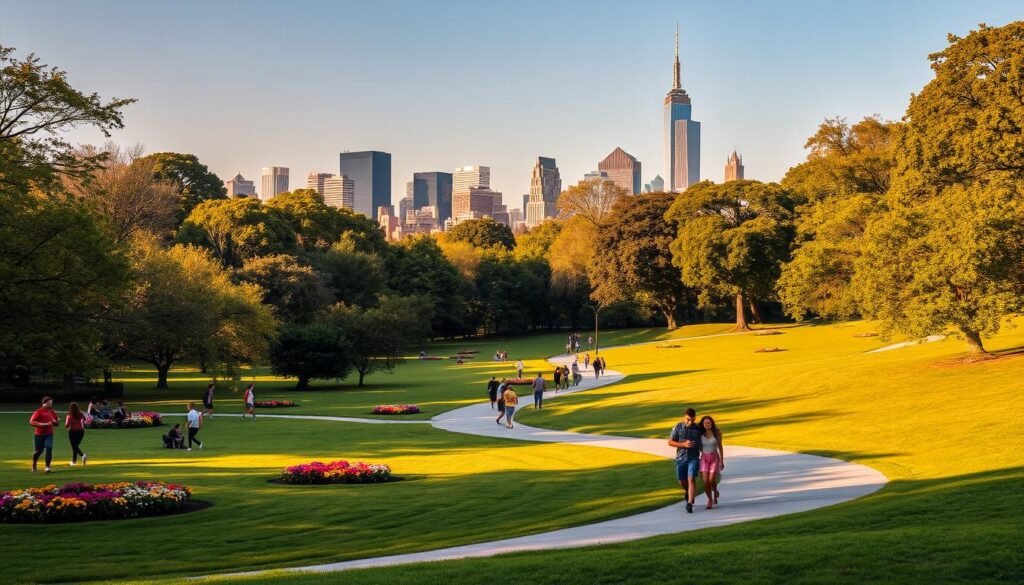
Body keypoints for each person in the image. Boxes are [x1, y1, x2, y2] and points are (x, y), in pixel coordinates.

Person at [668, 408, 703, 513]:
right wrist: (683, 444)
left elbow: (707, 434)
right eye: (688, 419)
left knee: (691, 478)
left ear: (695, 418)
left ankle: (690, 503)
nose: (690, 422)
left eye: (692, 420)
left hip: (694, 458)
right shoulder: (678, 427)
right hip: (681, 458)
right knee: (682, 481)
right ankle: (688, 492)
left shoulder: (697, 429)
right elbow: (670, 442)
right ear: (684, 417)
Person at [699, 415, 725, 509]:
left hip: (714, 457)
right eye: (705, 423)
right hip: (704, 458)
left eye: (709, 423)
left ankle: (715, 489)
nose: (707, 424)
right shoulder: (700, 434)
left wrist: (722, 461)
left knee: (712, 479)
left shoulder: (717, 433)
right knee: (706, 481)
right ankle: (710, 499)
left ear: (712, 423)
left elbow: (720, 447)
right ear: (702, 424)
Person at [29, 396, 60, 473]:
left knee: (49, 448)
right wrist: (44, 424)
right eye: (50, 403)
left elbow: (56, 423)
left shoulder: (52, 412)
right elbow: (32, 422)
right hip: (39, 434)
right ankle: (34, 464)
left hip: (49, 434)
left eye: (51, 403)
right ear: (45, 403)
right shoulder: (38, 411)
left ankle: (47, 466)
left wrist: (57, 422)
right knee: (38, 451)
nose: (51, 404)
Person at [65, 402, 87, 466]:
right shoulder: (80, 414)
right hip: (81, 431)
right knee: (75, 446)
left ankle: (81, 456)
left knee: (74, 446)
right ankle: (74, 461)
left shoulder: (69, 415)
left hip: (72, 431)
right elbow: (85, 420)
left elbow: (66, 425)